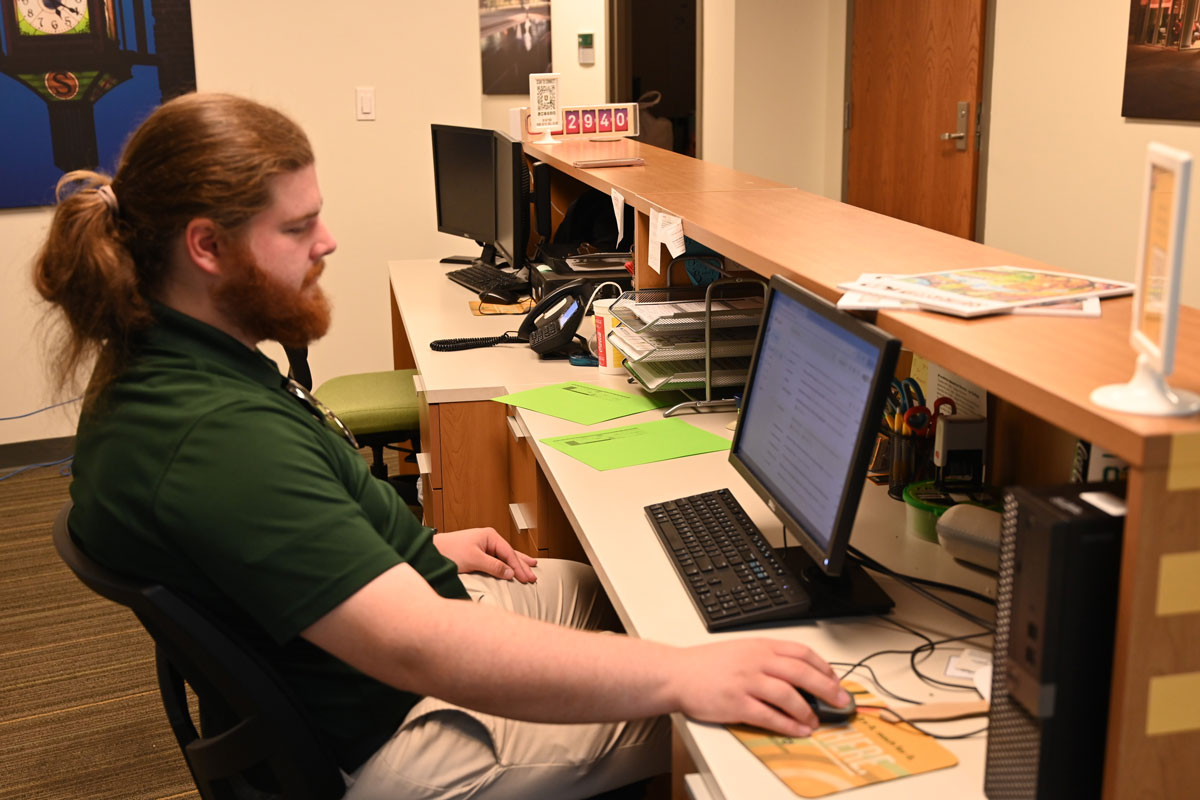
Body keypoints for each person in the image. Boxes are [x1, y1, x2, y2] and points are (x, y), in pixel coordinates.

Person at [33, 92, 849, 800]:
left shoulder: (169, 352)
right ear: (206, 247)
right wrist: (682, 679)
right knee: (730, 730)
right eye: (299, 225)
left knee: (614, 592)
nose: (328, 243)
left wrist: (413, 544)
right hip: (395, 732)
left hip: (352, 666)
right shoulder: (211, 438)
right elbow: (426, 649)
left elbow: (276, 531)